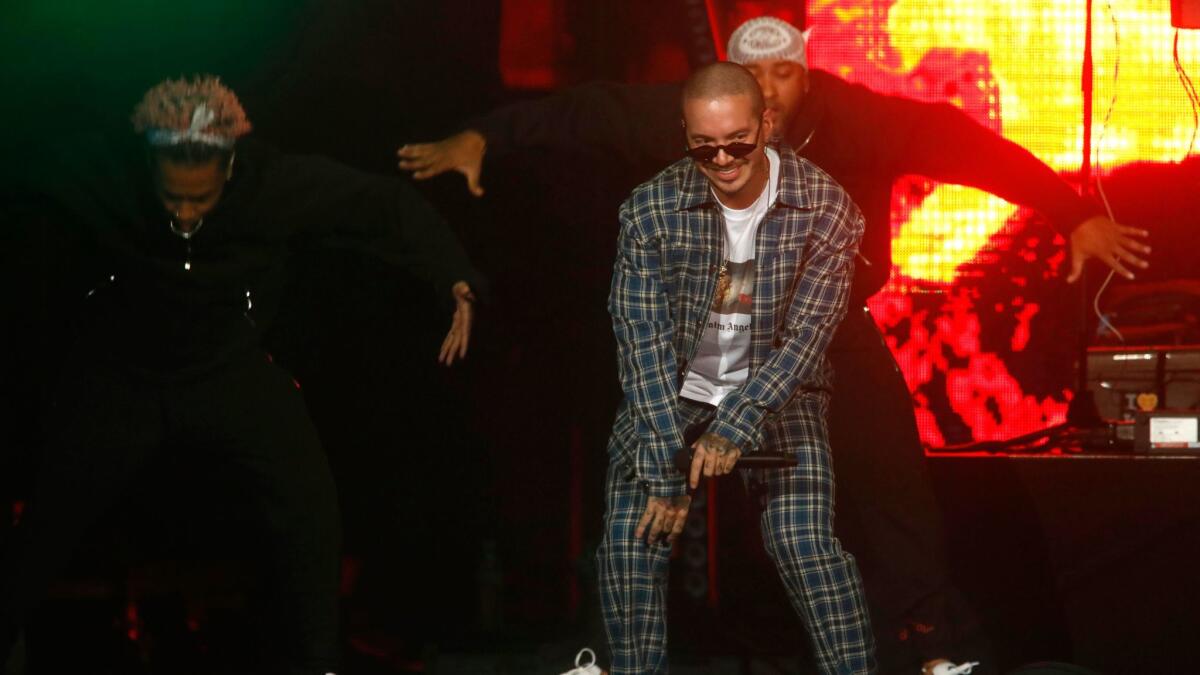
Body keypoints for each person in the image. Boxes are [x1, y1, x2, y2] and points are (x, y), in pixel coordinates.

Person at [395, 15, 1151, 675]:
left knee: (894, 499)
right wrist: (484, 135)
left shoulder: (858, 120)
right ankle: (609, 649)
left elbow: (958, 141)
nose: (767, 91)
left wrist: (1070, 211)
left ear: (806, 77)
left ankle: (928, 647)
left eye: (783, 74)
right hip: (710, 329)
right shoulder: (696, 114)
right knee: (645, 486)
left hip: (826, 333)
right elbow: (591, 112)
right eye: (753, 77)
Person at [1, 75, 483, 675]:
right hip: (123, 377)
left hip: (229, 374)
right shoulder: (106, 177)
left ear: (228, 172)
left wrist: (453, 276)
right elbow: (20, 171)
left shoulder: (272, 185)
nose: (183, 217)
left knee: (309, 502)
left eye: (199, 201)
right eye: (171, 198)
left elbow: (381, 206)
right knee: (49, 515)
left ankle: (316, 661)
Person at [598, 61, 873, 674]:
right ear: (687, 137)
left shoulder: (827, 208)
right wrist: (666, 465)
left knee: (804, 545)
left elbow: (807, 340)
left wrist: (738, 422)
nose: (722, 160)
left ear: (767, 124)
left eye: (737, 144)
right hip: (673, 391)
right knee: (630, 541)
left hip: (781, 391)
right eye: (705, 147)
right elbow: (639, 340)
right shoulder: (649, 211)